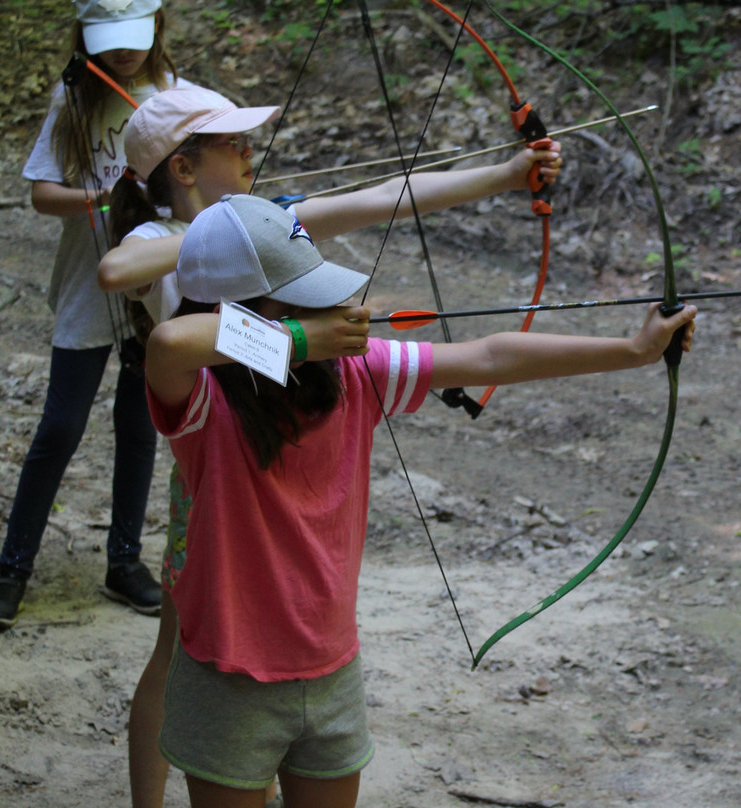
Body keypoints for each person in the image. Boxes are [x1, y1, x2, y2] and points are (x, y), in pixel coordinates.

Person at [144, 193, 696, 808]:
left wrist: (632, 351)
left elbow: (488, 356)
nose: (331, 308)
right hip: (228, 675)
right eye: (304, 299)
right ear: (253, 312)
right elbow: (169, 341)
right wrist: (299, 340)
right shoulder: (204, 402)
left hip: (331, 669)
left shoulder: (355, 374)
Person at [96, 85, 565, 808]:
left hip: (285, 429)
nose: (251, 154)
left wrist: (505, 176)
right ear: (183, 169)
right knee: (184, 648)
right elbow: (119, 276)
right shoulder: (156, 238)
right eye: (233, 145)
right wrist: (247, 252)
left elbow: (386, 197)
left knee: (232, 634)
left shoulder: (264, 223)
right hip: (214, 445)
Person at [0, 0, 188, 630]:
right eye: (109, 41)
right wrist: (101, 196)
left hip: (151, 284)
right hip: (87, 288)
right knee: (61, 426)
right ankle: (13, 567)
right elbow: (42, 194)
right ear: (86, 38)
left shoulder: (176, 96)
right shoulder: (76, 100)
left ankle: (124, 562)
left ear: (157, 28)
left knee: (139, 423)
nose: (123, 53)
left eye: (134, 39)